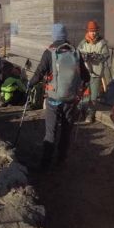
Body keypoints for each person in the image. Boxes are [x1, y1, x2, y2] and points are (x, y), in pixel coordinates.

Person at [28, 23, 90, 171]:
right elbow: (86, 77)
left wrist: (30, 84)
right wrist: (80, 92)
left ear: (54, 35)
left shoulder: (49, 52)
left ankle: (45, 164)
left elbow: (39, 74)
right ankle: (61, 160)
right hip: (70, 99)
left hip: (53, 100)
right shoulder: (75, 52)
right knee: (66, 130)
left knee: (51, 132)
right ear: (65, 35)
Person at [77, 20, 109, 123]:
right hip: (85, 73)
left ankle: (90, 114)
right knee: (82, 94)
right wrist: (83, 56)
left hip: (96, 73)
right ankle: (79, 111)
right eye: (91, 31)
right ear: (88, 31)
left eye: (95, 31)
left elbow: (106, 56)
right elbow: (77, 54)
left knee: (94, 96)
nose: (93, 33)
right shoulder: (83, 42)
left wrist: (97, 56)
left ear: (97, 31)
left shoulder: (102, 42)